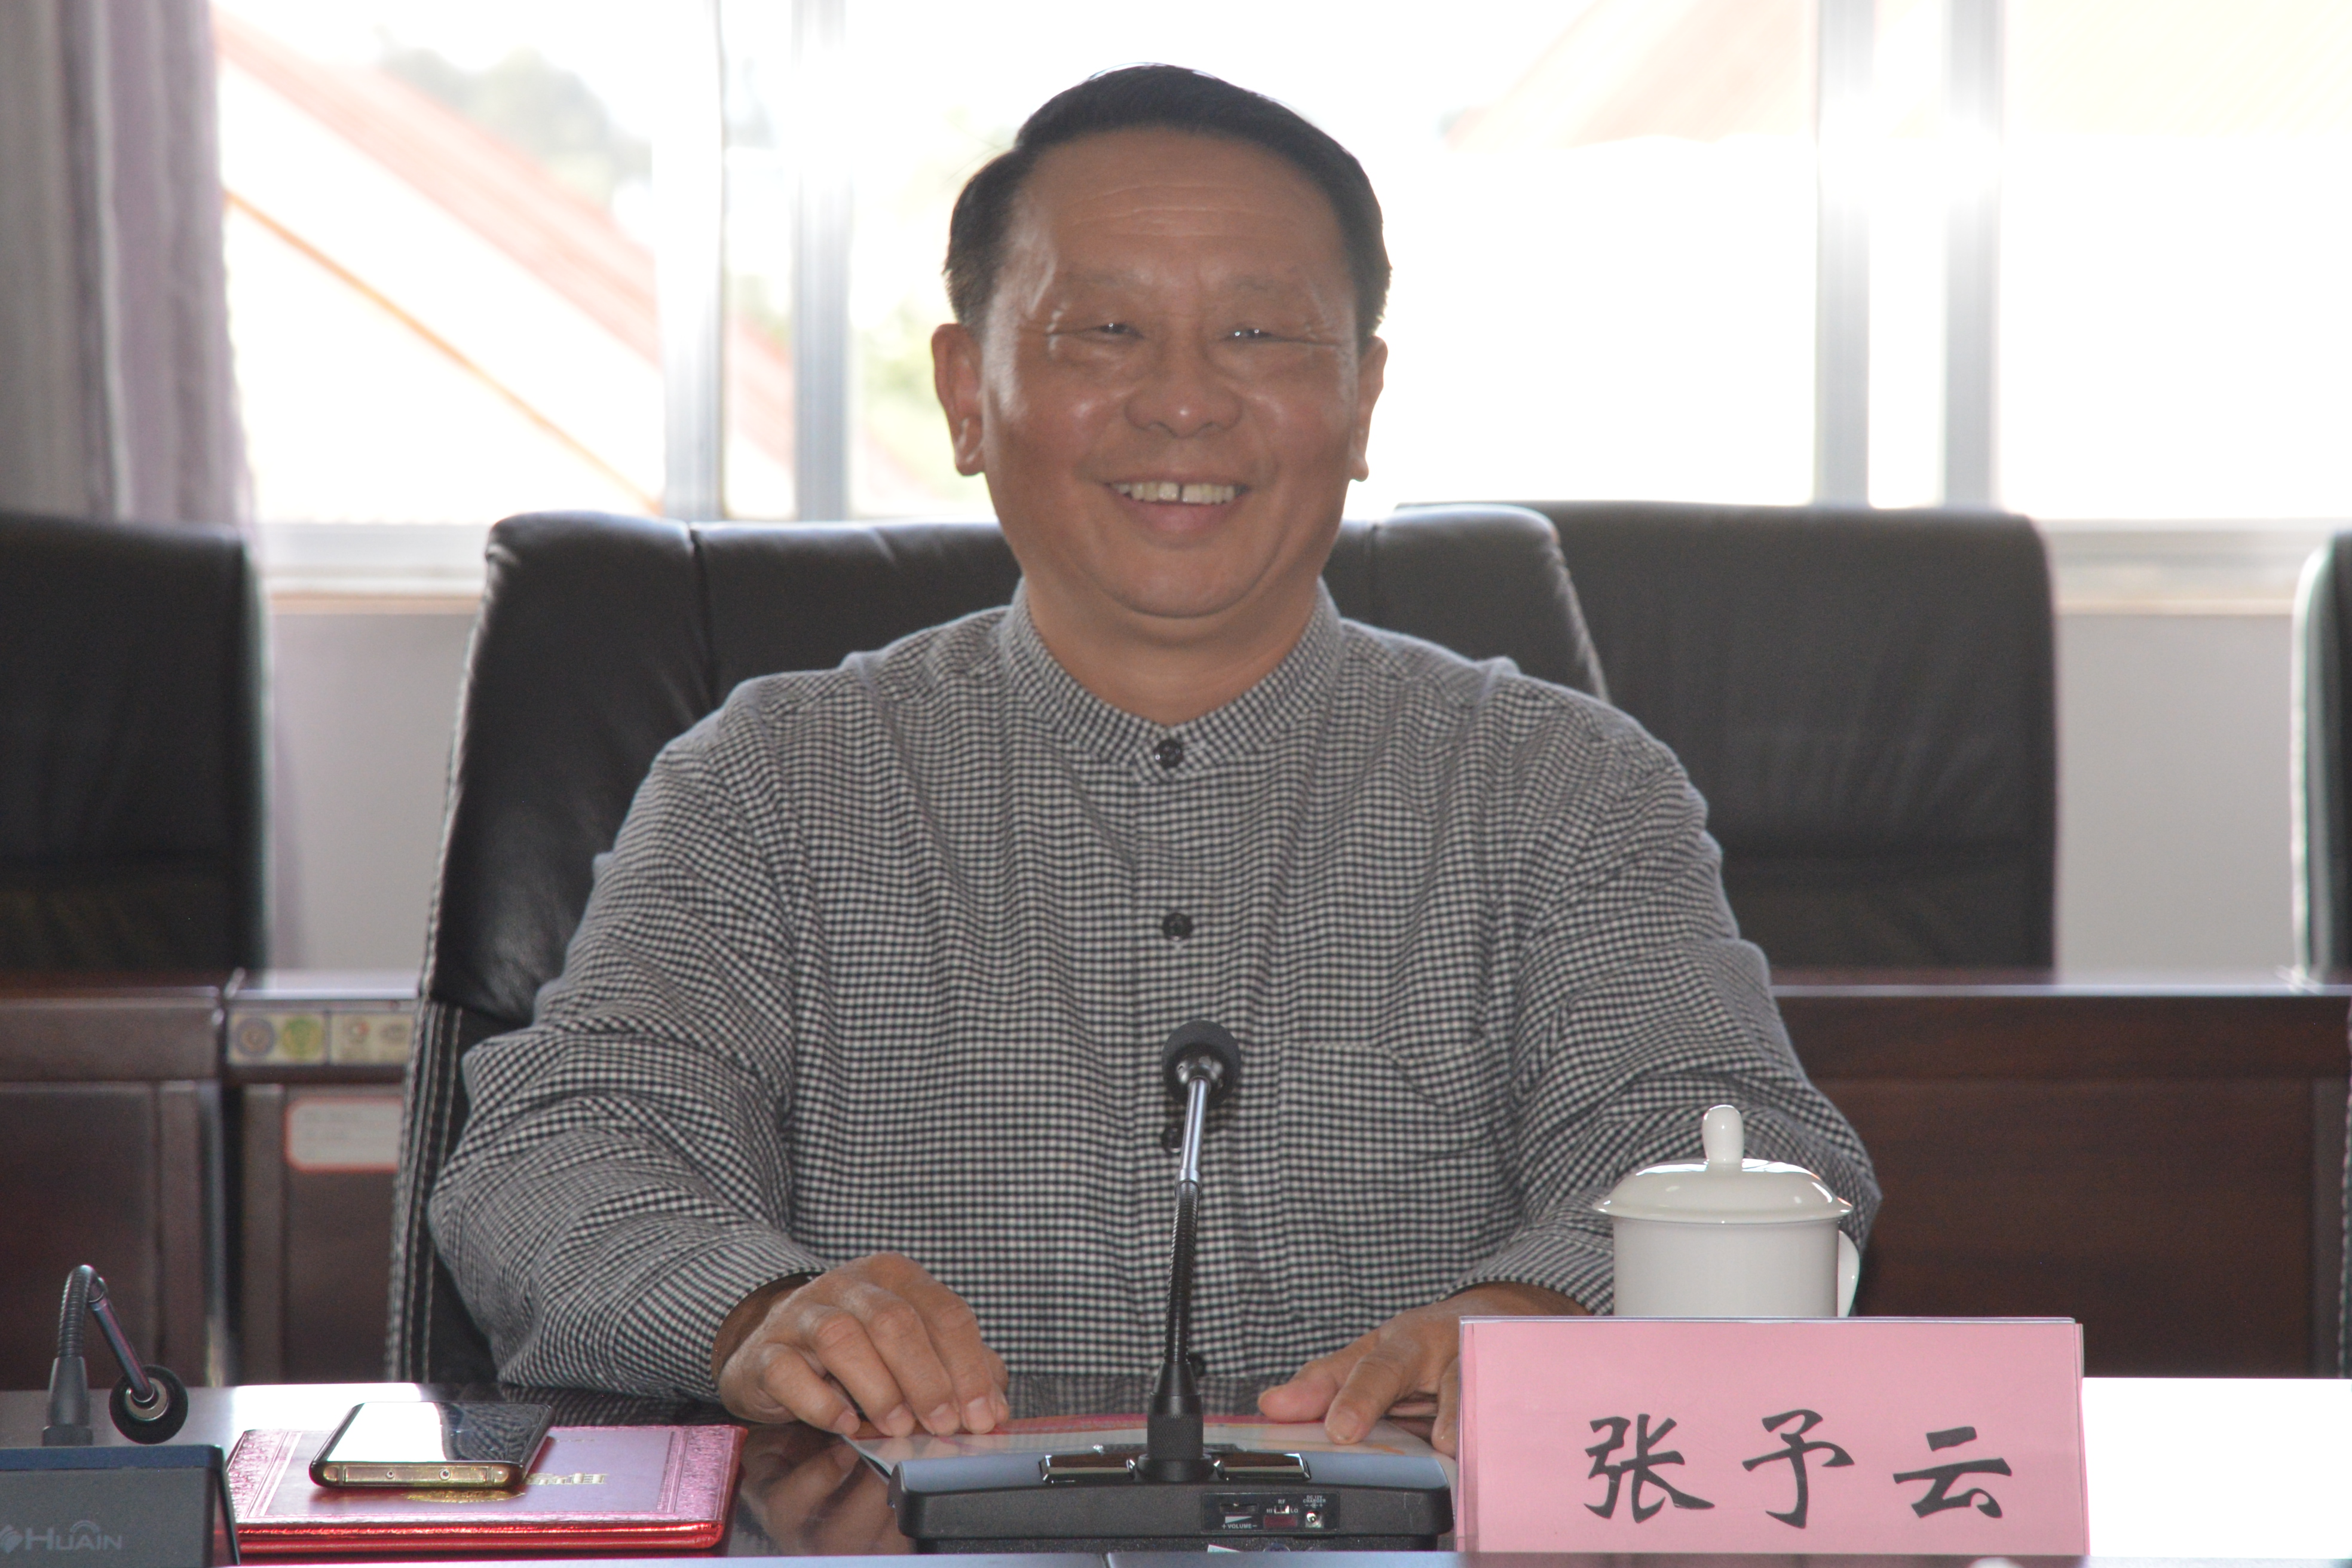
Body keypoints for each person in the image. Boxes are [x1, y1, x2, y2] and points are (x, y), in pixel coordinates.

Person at [429, 65, 1878, 1459]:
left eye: (1261, 334)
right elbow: (558, 1153)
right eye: (1104, 331)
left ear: (1362, 402)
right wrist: (757, 1309)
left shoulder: (1564, 790)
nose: (1184, 401)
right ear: (966, 393)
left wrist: (1538, 1315)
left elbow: (1734, 1144)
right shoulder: (771, 785)